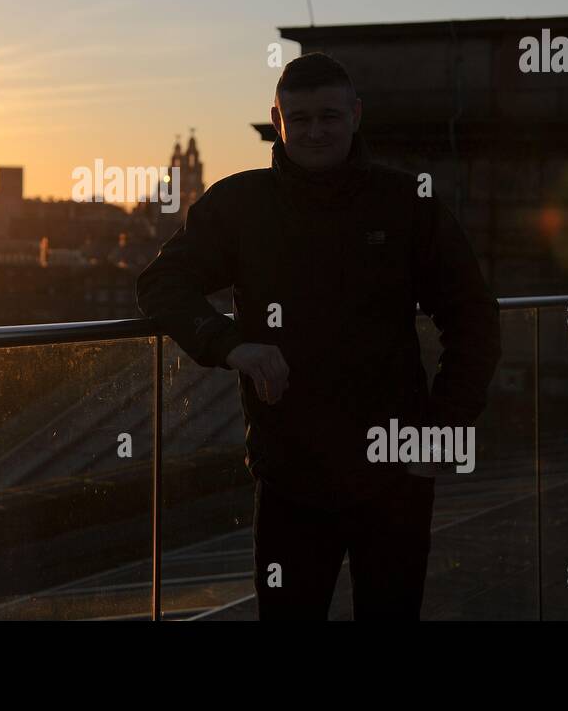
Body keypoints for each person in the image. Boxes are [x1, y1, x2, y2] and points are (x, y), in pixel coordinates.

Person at [136, 52, 502, 620]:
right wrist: (231, 344)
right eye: (299, 118)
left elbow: (472, 315)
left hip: (397, 472)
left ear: (356, 115)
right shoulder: (239, 204)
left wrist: (446, 426)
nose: (314, 130)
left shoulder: (407, 204)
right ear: (277, 120)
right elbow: (162, 283)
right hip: (290, 476)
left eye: (328, 116)